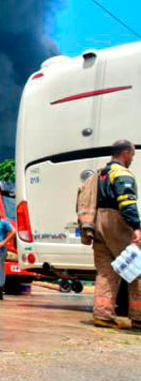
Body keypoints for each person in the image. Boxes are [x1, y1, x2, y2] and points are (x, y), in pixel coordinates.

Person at [93, 139, 141, 330]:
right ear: (126, 153)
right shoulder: (121, 173)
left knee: (106, 271)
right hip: (116, 222)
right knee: (136, 267)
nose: (132, 159)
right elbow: (127, 202)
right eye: (132, 156)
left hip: (98, 223)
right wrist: (136, 227)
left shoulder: (101, 174)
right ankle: (138, 316)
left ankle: (103, 315)